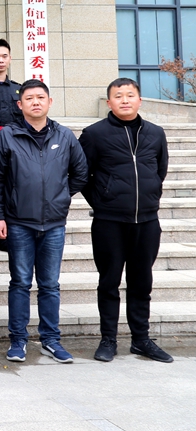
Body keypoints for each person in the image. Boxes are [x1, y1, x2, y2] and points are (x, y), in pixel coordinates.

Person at [0, 79, 88, 364]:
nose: (35, 102)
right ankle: (18, 340)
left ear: (49, 102)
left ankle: (51, 340)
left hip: (54, 223)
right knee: (20, 282)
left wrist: (60, 196)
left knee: (50, 284)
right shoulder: (7, 136)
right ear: (20, 104)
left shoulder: (65, 135)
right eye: (29, 98)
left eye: (40, 97)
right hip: (18, 222)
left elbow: (81, 173)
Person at [80, 78, 173, 363]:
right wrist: (102, 201)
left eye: (130, 95)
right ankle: (108, 339)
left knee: (141, 282)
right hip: (109, 221)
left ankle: (141, 340)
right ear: (109, 102)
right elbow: (82, 175)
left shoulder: (155, 133)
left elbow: (160, 169)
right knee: (109, 281)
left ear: (139, 100)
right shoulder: (94, 134)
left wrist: (151, 195)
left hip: (147, 221)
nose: (124, 100)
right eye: (118, 96)